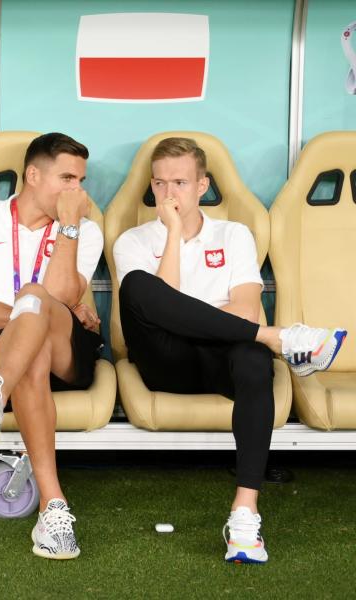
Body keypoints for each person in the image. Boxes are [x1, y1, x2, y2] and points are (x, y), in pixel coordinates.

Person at [113, 136, 347, 564]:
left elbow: (244, 307)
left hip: (223, 360)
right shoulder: (134, 240)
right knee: (139, 286)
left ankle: (244, 514)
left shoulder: (235, 234)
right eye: (161, 184)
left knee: (254, 359)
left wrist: (201, 320)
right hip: (164, 361)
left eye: (180, 183)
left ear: (202, 185)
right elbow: (161, 303)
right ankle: (284, 339)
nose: (169, 194)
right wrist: (172, 235)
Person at [0, 133, 105, 560]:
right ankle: (54, 511)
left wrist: (68, 227)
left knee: (36, 295)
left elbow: (59, 297)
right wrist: (33, 316)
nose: (77, 190)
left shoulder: (84, 231)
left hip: (66, 355)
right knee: (32, 348)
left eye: (81, 180)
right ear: (33, 175)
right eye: (66, 178)